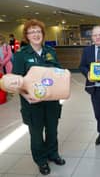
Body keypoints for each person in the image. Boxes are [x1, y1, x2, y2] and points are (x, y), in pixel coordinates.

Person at [12, 19, 65, 175]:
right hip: (32, 103)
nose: (36, 34)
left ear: (43, 34)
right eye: (32, 32)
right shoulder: (21, 55)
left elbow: (58, 74)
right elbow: (17, 81)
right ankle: (41, 161)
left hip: (51, 101)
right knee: (36, 134)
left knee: (52, 130)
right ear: (27, 36)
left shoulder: (51, 52)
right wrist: (26, 96)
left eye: (38, 31)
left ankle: (53, 154)